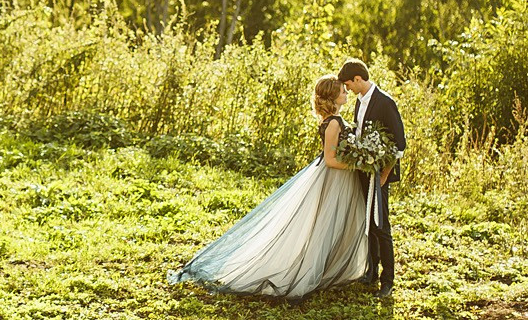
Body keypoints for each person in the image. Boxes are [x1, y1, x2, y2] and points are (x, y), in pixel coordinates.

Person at [169, 75, 371, 299]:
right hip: (334, 177)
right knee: (324, 223)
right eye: (342, 91)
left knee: (332, 222)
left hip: (340, 178)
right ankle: (313, 269)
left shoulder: (334, 120)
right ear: (333, 96)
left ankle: (330, 266)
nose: (346, 93)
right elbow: (330, 160)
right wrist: (358, 164)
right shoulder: (333, 123)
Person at [339, 58, 406, 298]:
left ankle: (388, 281)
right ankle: (371, 272)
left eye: (348, 84)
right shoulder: (360, 100)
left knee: (381, 224)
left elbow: (400, 143)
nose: (347, 90)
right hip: (363, 171)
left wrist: (384, 174)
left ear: (358, 79)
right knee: (367, 221)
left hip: (380, 175)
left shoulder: (386, 102)